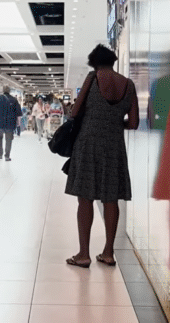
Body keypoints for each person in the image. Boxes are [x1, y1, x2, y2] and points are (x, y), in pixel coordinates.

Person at [64, 44, 139, 268]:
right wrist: (114, 124)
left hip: (88, 144)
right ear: (113, 61)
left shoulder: (92, 78)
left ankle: (84, 254)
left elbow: (75, 111)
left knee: (85, 197)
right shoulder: (128, 84)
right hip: (114, 146)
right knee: (111, 197)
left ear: (94, 62)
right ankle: (108, 252)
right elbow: (133, 123)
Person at [0, 86, 23, 161]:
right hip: (10, 124)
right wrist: (18, 123)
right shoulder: (14, 100)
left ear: (3, 91)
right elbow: (19, 114)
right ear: (9, 91)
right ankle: (7, 156)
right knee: (9, 140)